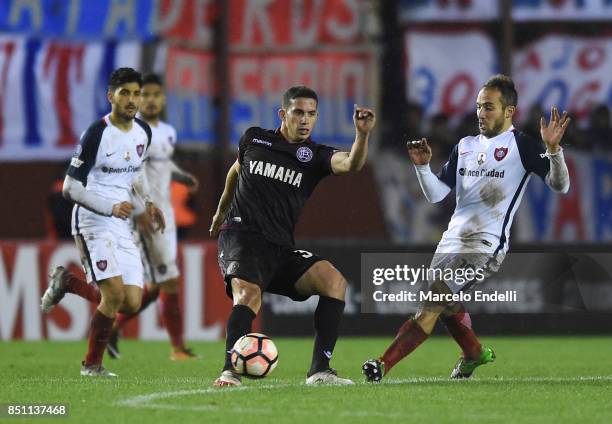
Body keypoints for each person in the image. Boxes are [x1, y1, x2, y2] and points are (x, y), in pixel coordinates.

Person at [362, 74, 570, 382]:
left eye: (489, 107)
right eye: (478, 106)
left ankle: (381, 365)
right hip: (450, 243)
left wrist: (553, 150)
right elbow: (436, 194)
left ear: (509, 111)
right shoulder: (465, 146)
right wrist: (422, 167)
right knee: (445, 304)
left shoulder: (522, 146)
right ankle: (474, 354)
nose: (480, 113)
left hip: (485, 245)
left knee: (434, 300)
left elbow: (560, 185)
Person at [209, 86, 376, 387]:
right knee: (248, 294)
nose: (305, 120)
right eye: (298, 112)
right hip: (241, 235)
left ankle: (320, 371)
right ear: (283, 114)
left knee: (334, 282)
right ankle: (230, 371)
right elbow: (236, 170)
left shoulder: (314, 156)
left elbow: (352, 163)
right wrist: (221, 211)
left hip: (279, 247)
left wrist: (361, 135)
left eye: (311, 114)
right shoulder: (254, 138)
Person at [40, 68, 165, 377]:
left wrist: (149, 202)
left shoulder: (142, 132)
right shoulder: (97, 133)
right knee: (113, 295)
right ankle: (92, 365)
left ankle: (66, 283)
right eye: (125, 93)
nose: (133, 100)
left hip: (120, 222)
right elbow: (71, 188)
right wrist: (110, 207)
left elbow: (135, 171)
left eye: (137, 93)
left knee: (132, 302)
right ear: (111, 96)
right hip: (93, 219)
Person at [105, 73, 200, 361]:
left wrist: (182, 176)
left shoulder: (167, 131)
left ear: (163, 98)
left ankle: (112, 328)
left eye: (155, 95)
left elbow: (163, 163)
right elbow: (128, 174)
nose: (149, 100)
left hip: (165, 216)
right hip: (145, 217)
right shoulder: (132, 132)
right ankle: (177, 348)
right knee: (165, 282)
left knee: (158, 285)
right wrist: (137, 211)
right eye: (144, 95)